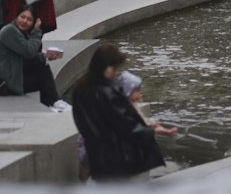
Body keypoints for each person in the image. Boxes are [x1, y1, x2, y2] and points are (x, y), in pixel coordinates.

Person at [71, 42, 173, 180]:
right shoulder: (107, 93)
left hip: (95, 152)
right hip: (114, 155)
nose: (115, 73)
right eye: (114, 68)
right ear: (104, 67)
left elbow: (81, 121)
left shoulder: (80, 89)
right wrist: (152, 130)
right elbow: (125, 124)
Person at [0, 6, 68, 111]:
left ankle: (51, 103)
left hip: (9, 76)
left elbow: (29, 56)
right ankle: (54, 101)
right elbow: (29, 52)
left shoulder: (20, 32)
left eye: (29, 20)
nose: (24, 21)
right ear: (16, 17)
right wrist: (37, 32)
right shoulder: (10, 31)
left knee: (42, 68)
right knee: (43, 76)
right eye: (22, 17)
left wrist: (46, 56)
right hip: (0, 84)